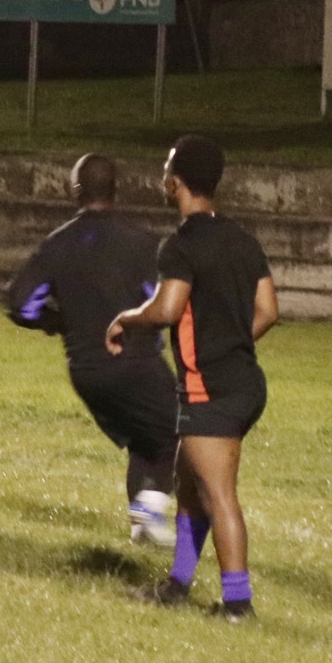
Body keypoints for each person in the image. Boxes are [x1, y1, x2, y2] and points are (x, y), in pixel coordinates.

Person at [109, 135, 279, 621]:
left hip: (213, 388)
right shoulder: (244, 240)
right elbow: (268, 310)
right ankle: (178, 584)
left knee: (218, 493)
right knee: (188, 483)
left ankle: (238, 603)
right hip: (242, 382)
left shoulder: (181, 245)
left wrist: (124, 318)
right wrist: (230, 341)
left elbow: (167, 309)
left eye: (166, 168)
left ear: (176, 182)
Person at [2, 153, 180, 549]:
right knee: (181, 432)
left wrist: (56, 323)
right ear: (115, 189)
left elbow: (19, 303)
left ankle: (142, 528)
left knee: (144, 438)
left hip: (85, 369)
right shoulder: (142, 241)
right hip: (136, 362)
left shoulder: (58, 243)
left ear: (75, 189)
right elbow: (163, 304)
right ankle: (150, 509)